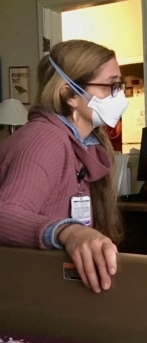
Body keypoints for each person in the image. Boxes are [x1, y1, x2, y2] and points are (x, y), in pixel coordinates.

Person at [0, 39, 129, 294]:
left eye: (120, 85)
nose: (120, 95)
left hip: (45, 291)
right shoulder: (45, 139)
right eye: (111, 86)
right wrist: (68, 231)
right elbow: (5, 214)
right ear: (70, 95)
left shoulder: (85, 146)